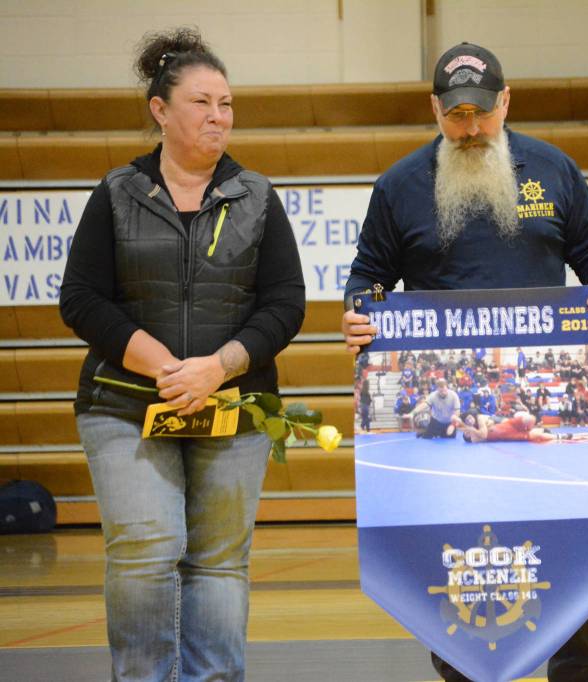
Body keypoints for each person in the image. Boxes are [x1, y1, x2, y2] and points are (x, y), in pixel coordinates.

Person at [341, 41, 588, 682]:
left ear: (506, 101)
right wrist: (358, 312)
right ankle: (465, 671)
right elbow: (366, 279)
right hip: (448, 426)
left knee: (574, 553)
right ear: (434, 108)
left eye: (481, 114)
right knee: (458, 559)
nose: (470, 130)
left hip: (544, 401)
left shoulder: (553, 170)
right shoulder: (400, 186)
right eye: (455, 116)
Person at [58, 28, 305, 681]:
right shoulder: (116, 193)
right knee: (147, 546)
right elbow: (81, 298)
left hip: (235, 404)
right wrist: (164, 367)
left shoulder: (256, 194)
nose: (218, 116)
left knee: (220, 560)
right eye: (202, 102)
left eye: (226, 103)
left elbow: (285, 304)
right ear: (160, 110)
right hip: (125, 404)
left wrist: (216, 367)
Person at [452, 409, 570, 443]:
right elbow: (481, 435)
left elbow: (479, 423)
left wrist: (461, 424)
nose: (467, 431)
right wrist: (469, 429)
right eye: (466, 434)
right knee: (536, 435)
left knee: (530, 418)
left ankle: (530, 427)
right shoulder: (476, 438)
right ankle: (560, 436)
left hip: (507, 423)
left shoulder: (479, 423)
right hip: (510, 434)